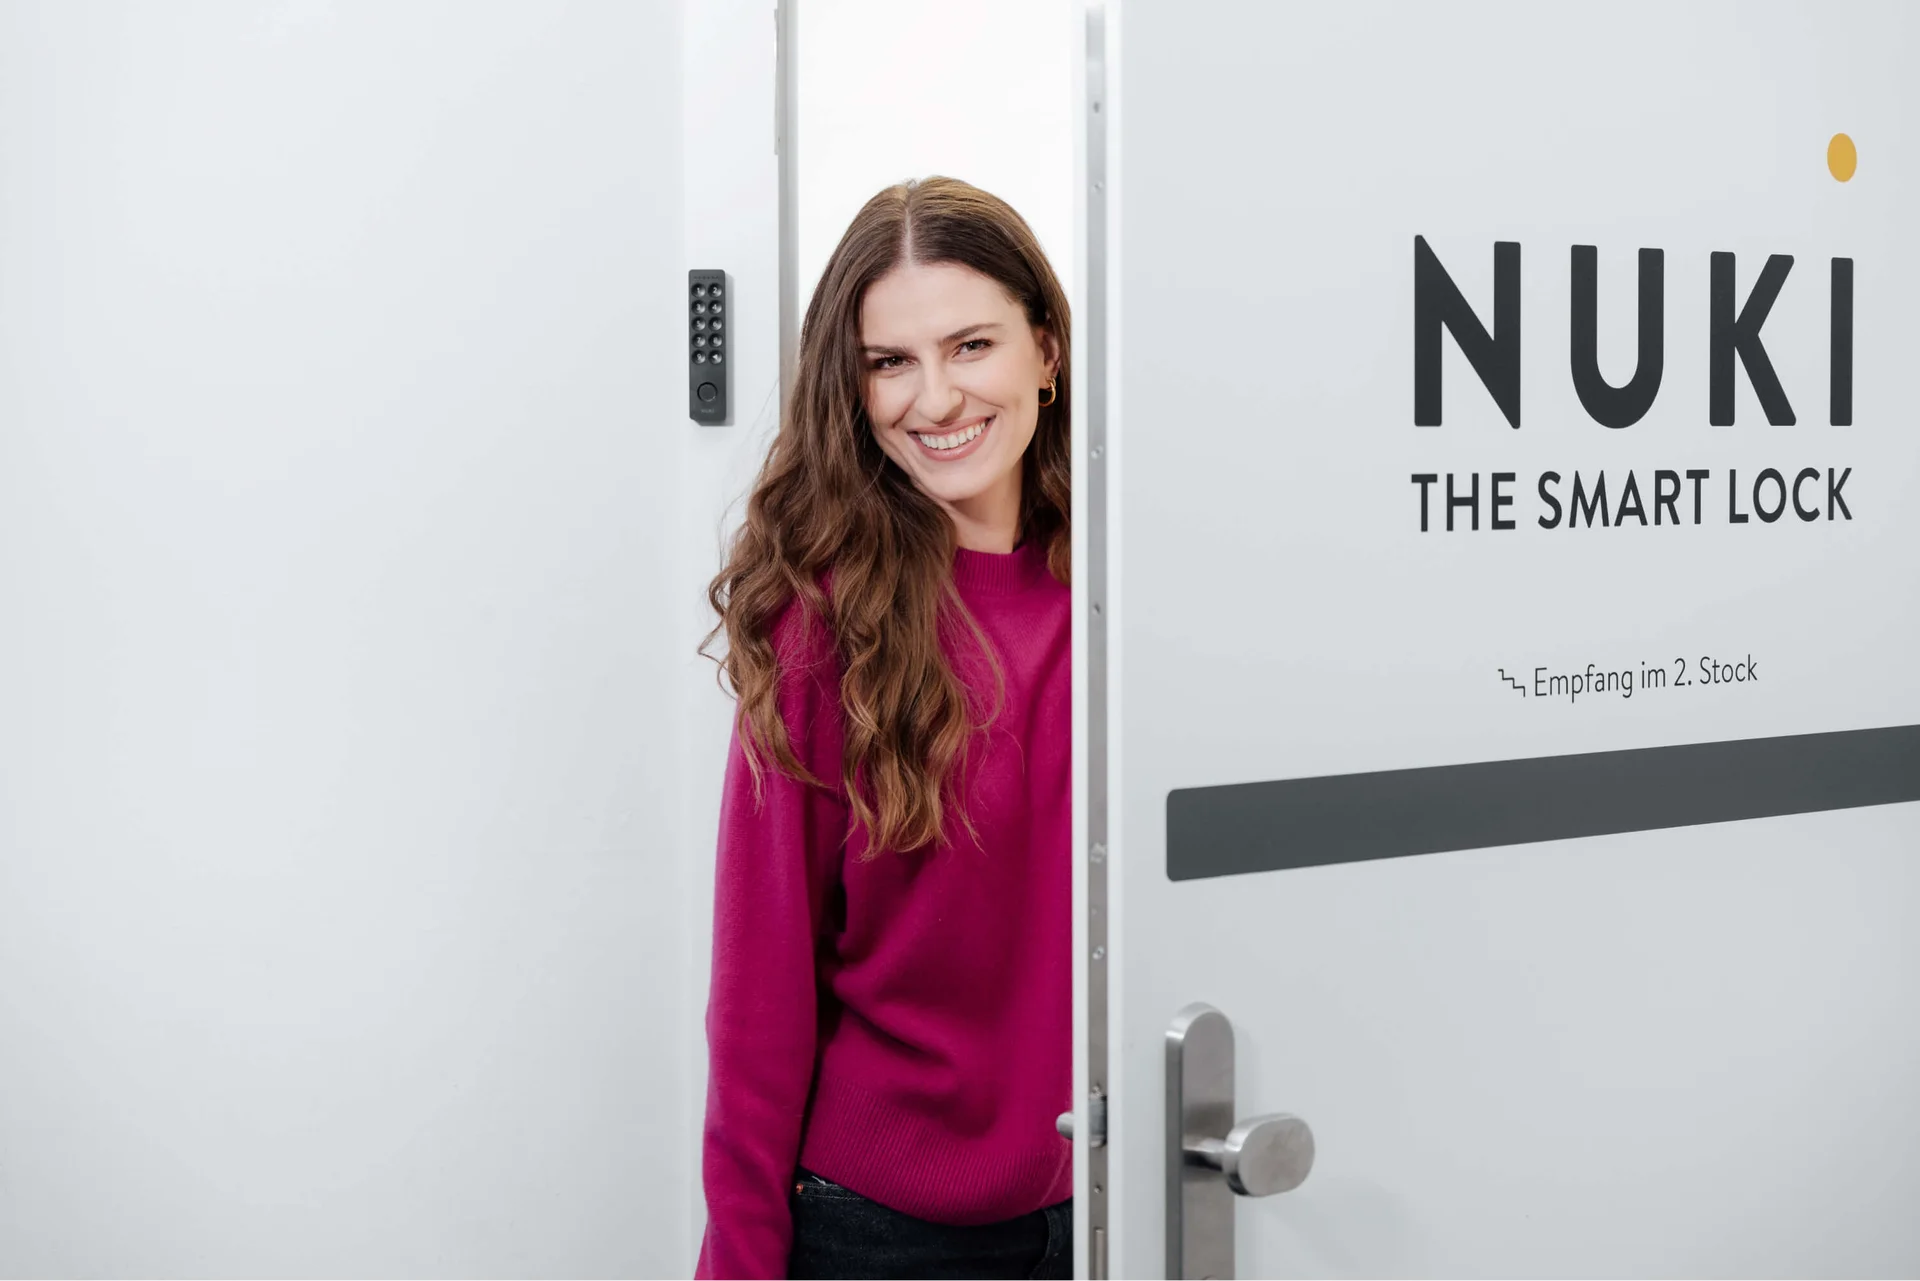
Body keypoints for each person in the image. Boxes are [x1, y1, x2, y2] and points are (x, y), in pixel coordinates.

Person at [694, 176, 1073, 1280]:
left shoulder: (1126, 595)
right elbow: (760, 1001)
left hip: (1114, 1206)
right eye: (890, 363)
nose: (937, 398)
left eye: (970, 345)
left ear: (1045, 350)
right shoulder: (823, 624)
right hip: (882, 1237)